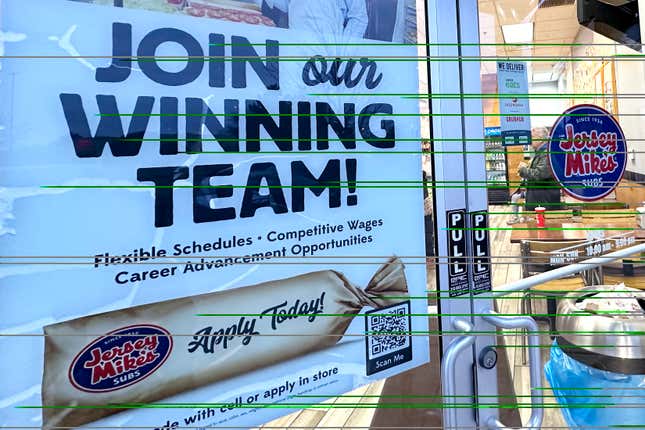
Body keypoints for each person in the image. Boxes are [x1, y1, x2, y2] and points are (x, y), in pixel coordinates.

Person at [513, 127, 562, 219]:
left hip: (544, 201)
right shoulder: (542, 152)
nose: (530, 140)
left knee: (546, 230)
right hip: (542, 199)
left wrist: (523, 170)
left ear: (540, 138)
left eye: (532, 136)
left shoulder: (546, 153)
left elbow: (540, 174)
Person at [287, 0, 369, 38]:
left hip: (328, 50)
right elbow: (288, 4)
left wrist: (345, 55)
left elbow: (359, 17)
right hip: (296, 45)